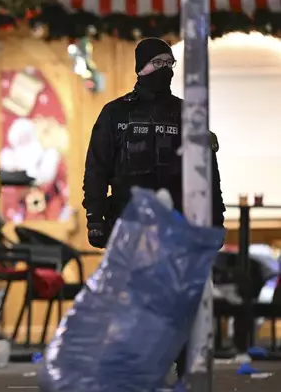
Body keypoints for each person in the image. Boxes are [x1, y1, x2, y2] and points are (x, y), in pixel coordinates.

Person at [82, 37, 226, 378]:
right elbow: (96, 168)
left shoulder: (187, 114)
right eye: (158, 63)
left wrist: (215, 217)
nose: (166, 71)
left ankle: (182, 368)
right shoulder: (115, 113)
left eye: (170, 64)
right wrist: (95, 218)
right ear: (141, 67)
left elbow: (207, 172)